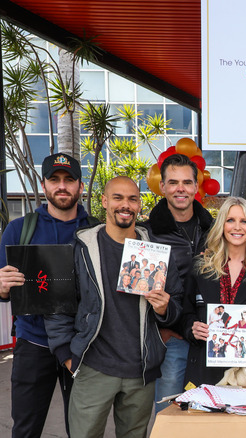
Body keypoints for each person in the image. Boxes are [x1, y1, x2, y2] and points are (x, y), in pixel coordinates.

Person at [44, 176, 183, 438]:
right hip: (93, 366)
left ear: (140, 205)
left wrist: (164, 309)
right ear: (105, 202)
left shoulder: (156, 252)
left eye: (132, 198)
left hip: (140, 371)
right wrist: (67, 355)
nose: (125, 205)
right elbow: (59, 305)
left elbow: (176, 304)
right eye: (118, 198)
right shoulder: (81, 248)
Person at [0, 153, 92, 438]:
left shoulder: (96, 231)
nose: (61, 186)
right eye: (55, 180)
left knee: (83, 430)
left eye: (68, 180)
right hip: (33, 344)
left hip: (82, 346)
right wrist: (2, 286)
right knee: (26, 429)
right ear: (44, 185)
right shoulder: (19, 229)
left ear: (80, 185)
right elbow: (2, 288)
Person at [144, 153, 214, 413]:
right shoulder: (147, 233)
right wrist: (161, 328)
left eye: (187, 182)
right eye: (173, 182)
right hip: (172, 338)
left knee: (212, 416)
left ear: (197, 186)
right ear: (162, 187)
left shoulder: (215, 231)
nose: (180, 189)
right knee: (169, 414)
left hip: (212, 337)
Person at [182, 197, 246, 387]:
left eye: (244, 221)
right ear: (221, 225)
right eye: (230, 220)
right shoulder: (201, 268)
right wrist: (192, 328)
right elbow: (185, 311)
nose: (237, 227)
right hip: (204, 368)